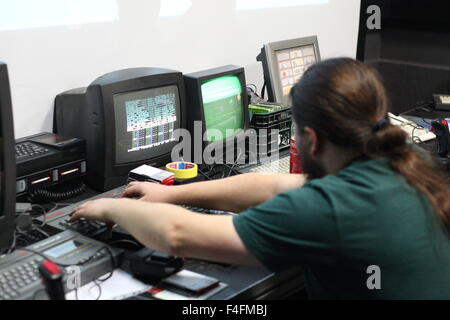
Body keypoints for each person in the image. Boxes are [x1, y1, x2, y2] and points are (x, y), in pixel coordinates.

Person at [70, 58, 450, 299]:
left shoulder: (330, 206)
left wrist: (114, 207)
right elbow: (270, 186)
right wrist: (168, 194)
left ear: (312, 140)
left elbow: (176, 236)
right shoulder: (404, 160)